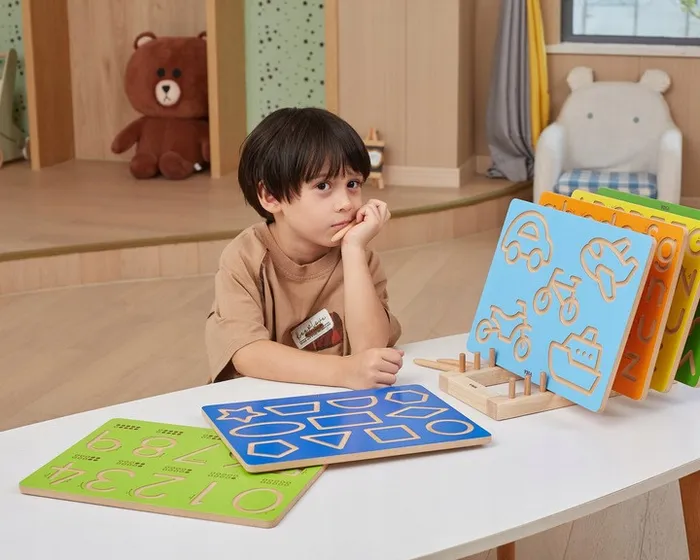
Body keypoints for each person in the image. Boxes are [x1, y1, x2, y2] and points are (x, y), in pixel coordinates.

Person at [205, 107, 403, 389]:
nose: (346, 203)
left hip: (335, 403)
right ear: (270, 196)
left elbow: (371, 350)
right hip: (259, 403)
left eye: (353, 184)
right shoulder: (245, 256)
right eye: (323, 186)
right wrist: (345, 371)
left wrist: (353, 251)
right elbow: (247, 352)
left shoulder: (360, 257)